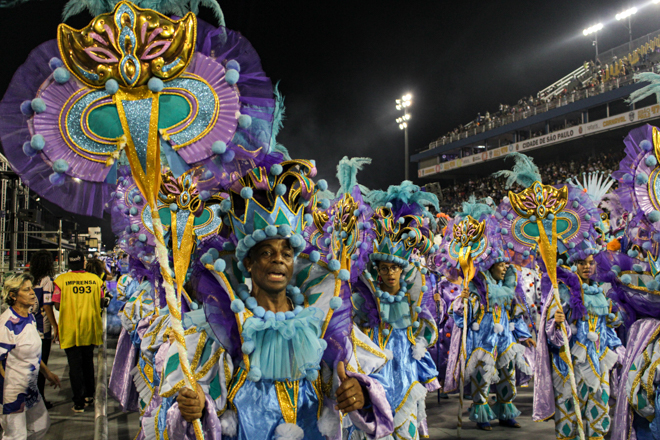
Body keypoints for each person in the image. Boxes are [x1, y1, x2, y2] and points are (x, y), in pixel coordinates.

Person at [535, 255, 623, 440]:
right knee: (569, 415)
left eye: (591, 263)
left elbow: (606, 329)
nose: (587, 267)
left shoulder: (600, 292)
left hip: (599, 362)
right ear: (573, 265)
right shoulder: (561, 292)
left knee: (599, 410)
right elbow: (552, 337)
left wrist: (618, 348)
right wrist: (557, 324)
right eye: (582, 263)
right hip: (571, 365)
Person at [0, 274, 60, 440]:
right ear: (13, 296)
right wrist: (7, 389)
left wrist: (47, 373)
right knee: (15, 435)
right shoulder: (7, 324)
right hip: (13, 393)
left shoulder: (30, 317)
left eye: (32, 288)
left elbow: (32, 354)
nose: (33, 293)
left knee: (40, 425)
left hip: (30, 388)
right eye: (26, 290)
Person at [53, 250, 106, 413]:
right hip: (89, 327)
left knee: (74, 366)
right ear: (83, 262)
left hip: (70, 328)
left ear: (69, 263)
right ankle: (90, 395)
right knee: (88, 362)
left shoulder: (60, 281)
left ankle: (78, 402)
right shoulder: (95, 280)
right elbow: (102, 301)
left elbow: (56, 304)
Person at [28, 251, 58, 410]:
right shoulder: (47, 281)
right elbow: (46, 305)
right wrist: (55, 325)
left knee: (31, 365)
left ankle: (32, 397)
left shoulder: (30, 280)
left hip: (29, 327)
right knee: (42, 366)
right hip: (42, 328)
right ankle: (39, 400)